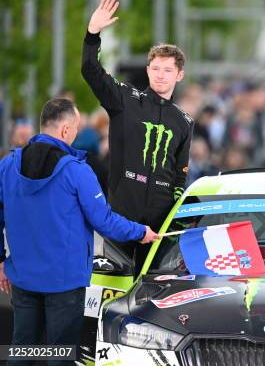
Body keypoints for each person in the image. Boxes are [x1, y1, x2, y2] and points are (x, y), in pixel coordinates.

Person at [0, 99, 158, 365]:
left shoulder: (7, 166)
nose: (75, 134)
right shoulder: (77, 171)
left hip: (23, 277)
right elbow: (104, 221)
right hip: (65, 282)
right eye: (75, 128)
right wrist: (140, 231)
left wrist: (1, 262)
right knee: (60, 355)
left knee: (22, 350)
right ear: (64, 131)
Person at [82, 0, 194, 272]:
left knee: (151, 294)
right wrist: (92, 34)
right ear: (147, 70)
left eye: (168, 70)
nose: (160, 75)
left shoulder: (184, 122)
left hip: (159, 227)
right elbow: (90, 70)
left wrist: (172, 219)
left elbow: (180, 174)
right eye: (155, 68)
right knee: (115, 288)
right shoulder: (124, 99)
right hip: (120, 218)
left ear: (179, 75)